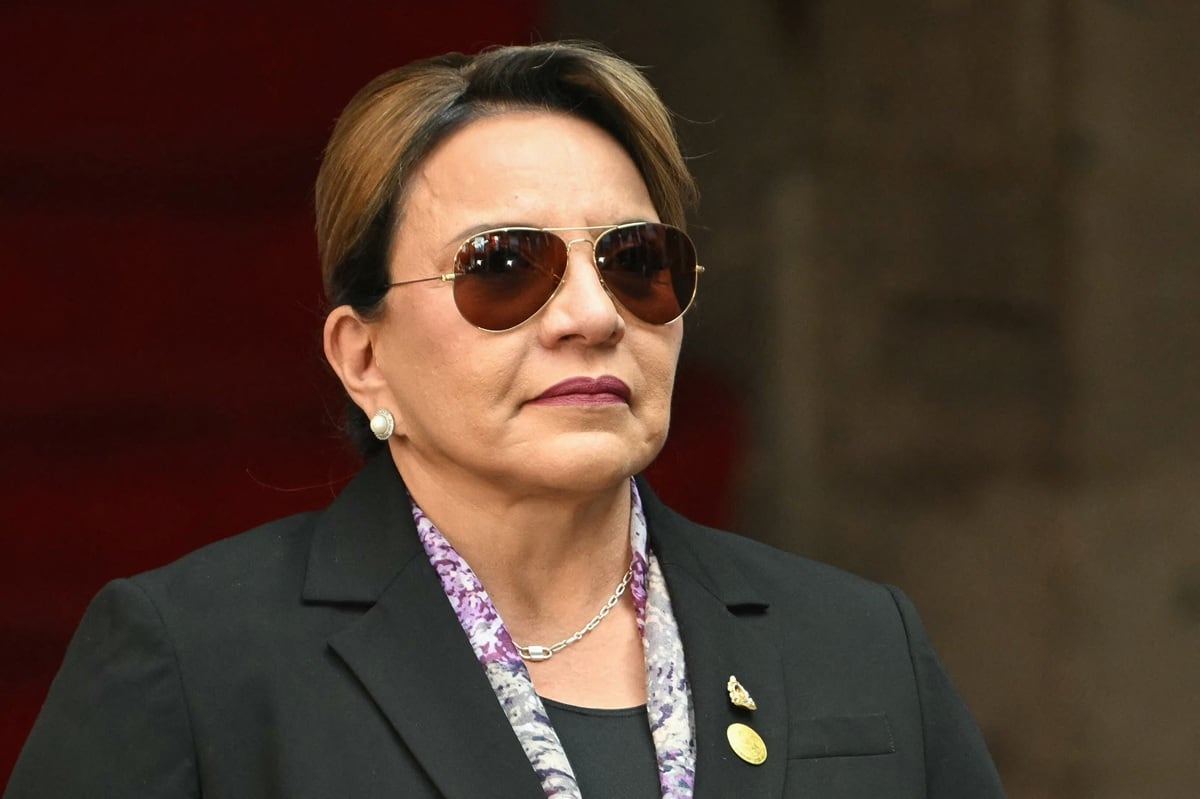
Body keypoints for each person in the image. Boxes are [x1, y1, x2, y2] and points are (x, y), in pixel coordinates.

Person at [5, 41, 1004, 798]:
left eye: (636, 264)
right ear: (364, 355)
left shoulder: (857, 640)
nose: (590, 317)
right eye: (504, 268)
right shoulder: (197, 660)